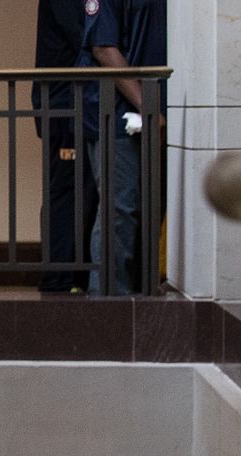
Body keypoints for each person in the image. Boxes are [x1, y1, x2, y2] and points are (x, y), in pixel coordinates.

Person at [82, 0, 166, 295]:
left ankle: (125, 298)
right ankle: (108, 303)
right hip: (117, 114)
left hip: (151, 113)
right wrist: (147, 105)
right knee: (119, 210)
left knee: (139, 210)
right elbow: (103, 47)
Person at [35, 0, 102, 292]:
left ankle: (74, 277)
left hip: (70, 103)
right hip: (64, 104)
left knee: (81, 192)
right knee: (68, 192)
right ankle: (60, 280)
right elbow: (88, 36)